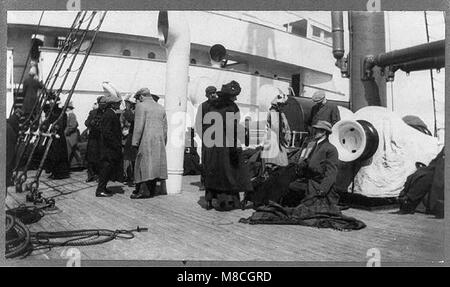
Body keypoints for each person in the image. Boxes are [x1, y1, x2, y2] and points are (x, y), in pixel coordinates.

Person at [202, 80, 253, 210]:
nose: (236, 98)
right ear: (229, 97)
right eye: (234, 96)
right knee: (229, 172)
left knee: (213, 171)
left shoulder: (211, 106)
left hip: (211, 144)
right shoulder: (231, 107)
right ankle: (227, 201)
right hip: (225, 145)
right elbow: (232, 128)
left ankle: (209, 198)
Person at [286, 120, 339, 206]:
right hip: (309, 180)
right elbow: (307, 161)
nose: (315, 132)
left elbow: (331, 173)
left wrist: (323, 190)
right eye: (316, 129)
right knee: (291, 186)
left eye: (318, 130)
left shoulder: (330, 149)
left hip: (318, 184)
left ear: (324, 132)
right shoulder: (312, 145)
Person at [131, 88, 168, 199]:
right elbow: (166, 128)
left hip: (145, 140)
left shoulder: (141, 106)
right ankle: (151, 190)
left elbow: (139, 126)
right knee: (154, 166)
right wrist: (163, 142)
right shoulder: (160, 107)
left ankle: (143, 191)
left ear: (141, 97)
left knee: (143, 166)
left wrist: (135, 142)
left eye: (137, 98)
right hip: (159, 141)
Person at [96, 95, 123, 197]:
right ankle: (100, 190)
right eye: (118, 103)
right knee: (106, 168)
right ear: (112, 104)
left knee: (107, 167)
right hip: (108, 148)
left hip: (109, 147)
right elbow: (107, 132)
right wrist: (116, 144)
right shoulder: (109, 114)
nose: (119, 105)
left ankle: (103, 188)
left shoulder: (109, 113)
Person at [194, 86, 218, 190]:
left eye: (214, 92)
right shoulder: (202, 106)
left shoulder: (220, 105)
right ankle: (204, 183)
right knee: (206, 160)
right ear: (207, 95)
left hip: (219, 138)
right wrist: (203, 136)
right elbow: (198, 124)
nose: (213, 94)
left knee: (218, 160)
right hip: (207, 138)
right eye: (210, 93)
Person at [260, 91, 291, 171]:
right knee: (276, 164)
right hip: (275, 142)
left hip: (276, 141)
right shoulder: (274, 113)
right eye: (282, 105)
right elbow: (276, 128)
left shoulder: (279, 113)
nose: (283, 107)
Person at [43, 98, 70, 180]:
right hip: (51, 135)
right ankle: (53, 171)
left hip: (59, 136)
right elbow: (47, 122)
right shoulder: (50, 112)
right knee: (51, 154)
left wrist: (57, 128)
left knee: (59, 154)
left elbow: (63, 124)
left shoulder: (62, 113)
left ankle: (60, 173)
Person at [84, 96, 105, 182]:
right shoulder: (93, 112)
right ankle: (90, 175)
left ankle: (100, 176)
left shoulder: (106, 113)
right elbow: (86, 122)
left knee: (101, 157)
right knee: (90, 157)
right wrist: (91, 122)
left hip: (101, 137)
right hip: (93, 137)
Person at [121, 94, 137, 186]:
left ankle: (133, 177)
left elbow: (132, 119)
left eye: (128, 103)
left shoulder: (135, 111)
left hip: (132, 137)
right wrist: (123, 129)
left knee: (133, 159)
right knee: (127, 159)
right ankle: (127, 176)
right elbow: (121, 122)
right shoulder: (126, 112)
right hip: (126, 138)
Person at [65, 102, 81, 169]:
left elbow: (72, 126)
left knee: (71, 150)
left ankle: (76, 164)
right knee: (73, 151)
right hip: (70, 135)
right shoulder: (70, 115)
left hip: (71, 136)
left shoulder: (71, 115)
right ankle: (76, 165)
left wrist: (65, 132)